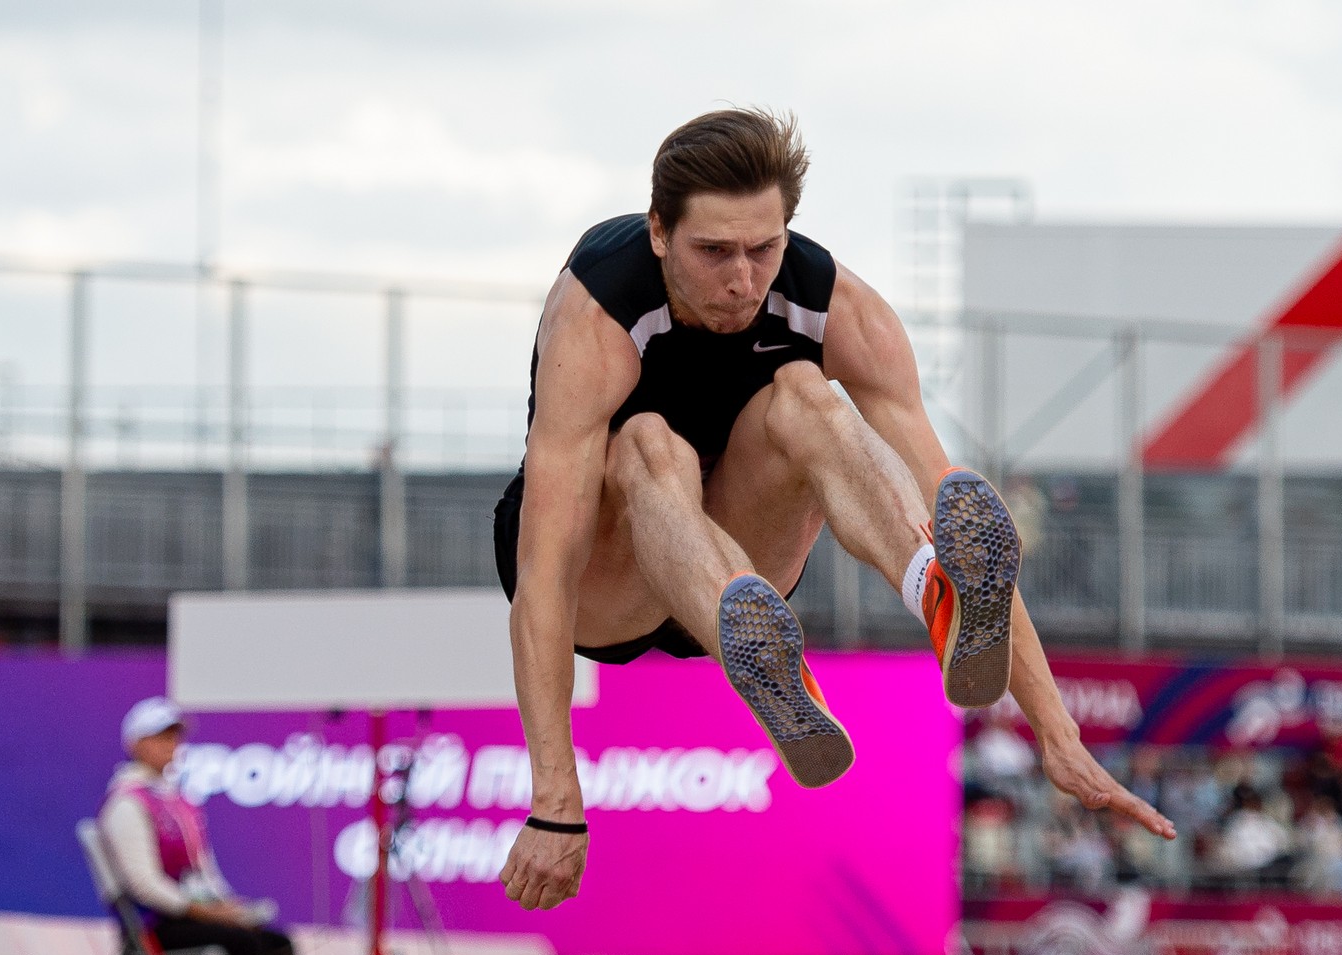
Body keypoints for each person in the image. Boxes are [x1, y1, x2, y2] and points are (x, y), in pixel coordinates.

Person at [495, 108, 1172, 912]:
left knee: (808, 396)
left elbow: (959, 514)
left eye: (764, 248)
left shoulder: (839, 307)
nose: (743, 279)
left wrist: (1057, 732)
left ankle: (928, 595)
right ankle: (747, 635)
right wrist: (556, 801)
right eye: (713, 252)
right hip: (610, 581)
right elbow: (545, 572)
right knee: (650, 444)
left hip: (740, 553)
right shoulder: (597, 314)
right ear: (658, 233)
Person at [97, 697, 343, 955]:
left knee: (275, 941)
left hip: (195, 917)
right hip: (154, 928)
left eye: (174, 737)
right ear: (136, 745)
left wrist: (230, 906)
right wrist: (208, 913)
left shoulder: (180, 800)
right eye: (161, 737)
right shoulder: (126, 803)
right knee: (244, 943)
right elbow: (143, 885)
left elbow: (204, 873)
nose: (172, 746)